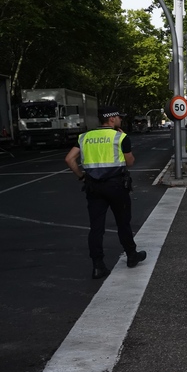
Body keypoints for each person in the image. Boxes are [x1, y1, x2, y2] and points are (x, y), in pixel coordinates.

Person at [65, 106, 146, 279]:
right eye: (119, 117)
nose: (121, 120)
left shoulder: (84, 137)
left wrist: (81, 177)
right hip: (116, 186)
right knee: (123, 223)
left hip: (93, 187)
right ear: (111, 119)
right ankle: (131, 256)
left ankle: (98, 265)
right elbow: (129, 162)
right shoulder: (120, 136)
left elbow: (69, 159)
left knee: (96, 228)